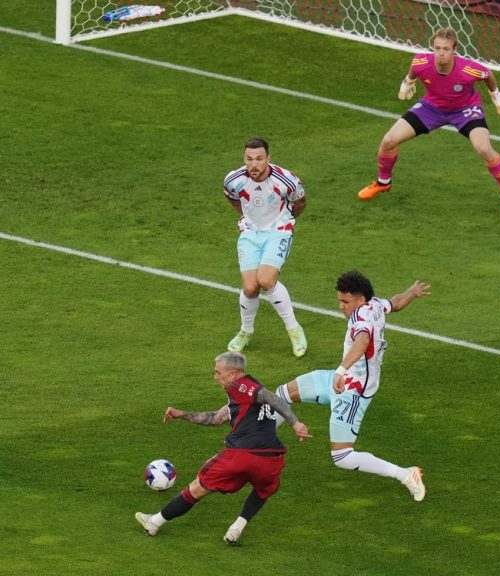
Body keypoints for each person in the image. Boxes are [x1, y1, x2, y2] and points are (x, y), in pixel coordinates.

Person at [274, 270, 430, 501]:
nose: (341, 307)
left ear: (360, 299)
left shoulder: (361, 319)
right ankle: (257, 444)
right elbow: (395, 303)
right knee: (281, 395)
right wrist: (412, 292)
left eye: (345, 302)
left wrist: (340, 371)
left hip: (352, 392)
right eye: (339, 301)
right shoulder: (375, 304)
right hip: (339, 380)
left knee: (343, 456)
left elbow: (362, 342)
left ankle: (406, 475)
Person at [135, 351, 312, 544]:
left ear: (234, 373)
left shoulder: (242, 386)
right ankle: (236, 529)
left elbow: (274, 399)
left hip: (240, 456)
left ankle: (154, 522)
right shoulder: (242, 397)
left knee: (196, 488)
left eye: (219, 373)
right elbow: (215, 418)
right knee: (262, 491)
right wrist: (181, 414)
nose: (215, 377)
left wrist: (295, 423)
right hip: (270, 461)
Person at [357, 27, 500, 217]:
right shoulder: (421, 62)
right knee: (388, 141)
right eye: (437, 48)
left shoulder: (469, 69)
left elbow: (488, 75)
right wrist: (408, 82)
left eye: (445, 49)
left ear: (454, 49)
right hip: (432, 108)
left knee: (484, 149)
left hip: (465, 110)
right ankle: (383, 183)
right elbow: (413, 70)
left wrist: (495, 94)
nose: (440, 53)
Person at [223, 137, 308, 356]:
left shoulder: (286, 180)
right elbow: (233, 199)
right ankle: (245, 332)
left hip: (278, 232)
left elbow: (300, 203)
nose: (254, 164)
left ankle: (294, 330)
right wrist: (249, 220)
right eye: (249, 159)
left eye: (259, 159)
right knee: (250, 287)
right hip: (250, 234)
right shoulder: (233, 180)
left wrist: (287, 222)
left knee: (266, 280)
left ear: (268, 158)